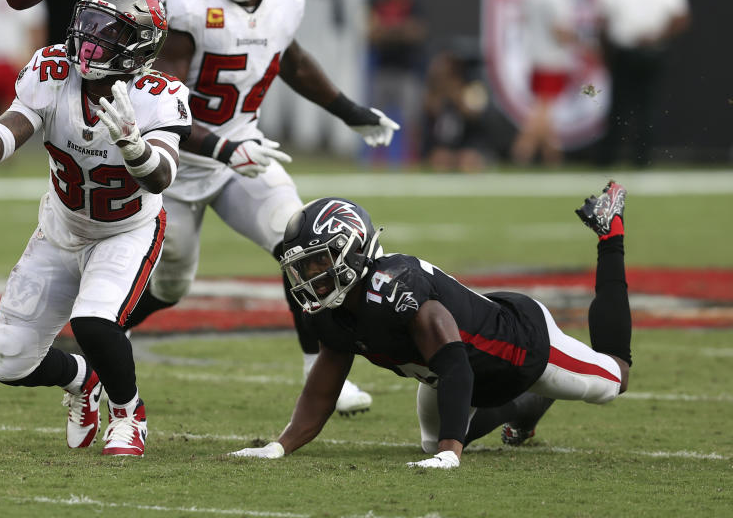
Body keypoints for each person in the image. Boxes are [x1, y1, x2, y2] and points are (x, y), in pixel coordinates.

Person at [123, 0, 400, 416]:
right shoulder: (183, 4)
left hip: (243, 153)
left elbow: (288, 61)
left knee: (301, 243)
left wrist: (348, 110)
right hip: (172, 162)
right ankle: (101, 336)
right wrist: (226, 146)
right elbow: (160, 108)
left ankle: (322, 376)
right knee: (172, 282)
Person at [0, 0, 191, 456]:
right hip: (61, 228)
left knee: (93, 320)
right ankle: (82, 378)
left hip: (127, 231)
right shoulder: (51, 70)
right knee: (9, 363)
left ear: (137, 46)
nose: (88, 40)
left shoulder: (161, 93)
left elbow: (161, 177)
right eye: (87, 25)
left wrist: (135, 148)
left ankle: (128, 413)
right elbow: (2, 143)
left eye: (106, 32)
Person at [230, 180, 632, 469]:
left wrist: (452, 452)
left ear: (351, 251)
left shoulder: (395, 286)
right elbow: (322, 389)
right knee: (429, 444)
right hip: (449, 372)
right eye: (303, 266)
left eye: (318, 262)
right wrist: (278, 447)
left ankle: (610, 230)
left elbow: (456, 362)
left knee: (615, 380)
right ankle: (529, 404)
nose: (310, 276)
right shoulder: (333, 310)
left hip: (520, 345)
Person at [592, 0, 689, 167]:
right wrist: (658, 36)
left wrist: (606, 55)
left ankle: (608, 159)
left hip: (625, 51)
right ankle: (642, 159)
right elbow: (682, 17)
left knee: (619, 107)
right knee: (648, 106)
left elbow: (602, 23)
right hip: (653, 51)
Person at [510, 0, 578, 167]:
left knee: (544, 108)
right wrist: (580, 43)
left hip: (535, 54)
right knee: (543, 109)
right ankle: (522, 150)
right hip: (553, 56)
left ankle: (552, 157)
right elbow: (560, 30)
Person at [366, 0, 428, 165]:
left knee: (410, 121)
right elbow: (371, 34)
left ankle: (410, 161)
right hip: (383, 71)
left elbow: (416, 33)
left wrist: (387, 31)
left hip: (407, 71)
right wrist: (399, 31)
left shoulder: (415, 5)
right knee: (377, 121)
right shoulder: (378, 3)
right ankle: (378, 162)